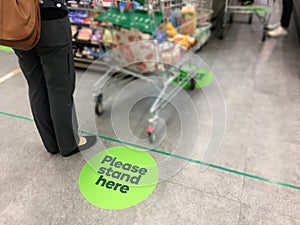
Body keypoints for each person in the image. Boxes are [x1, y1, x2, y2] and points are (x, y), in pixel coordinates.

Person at [13, 0, 96, 157]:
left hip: (19, 25)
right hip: (50, 21)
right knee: (60, 86)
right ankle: (68, 143)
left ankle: (51, 143)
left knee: (36, 85)